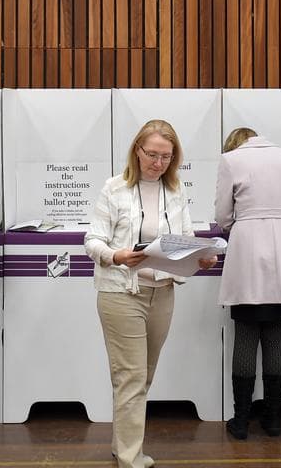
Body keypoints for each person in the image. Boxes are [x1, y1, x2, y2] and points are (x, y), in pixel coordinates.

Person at [84, 119, 217, 468]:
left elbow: (186, 238)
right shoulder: (114, 188)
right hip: (121, 293)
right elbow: (92, 240)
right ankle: (130, 458)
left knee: (144, 375)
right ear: (136, 151)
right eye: (152, 155)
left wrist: (200, 257)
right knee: (130, 376)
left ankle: (120, 444)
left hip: (163, 293)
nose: (158, 163)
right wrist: (116, 255)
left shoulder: (176, 191)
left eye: (167, 157)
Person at [215, 127, 281, 440]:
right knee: (275, 334)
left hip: (245, 246)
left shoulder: (230, 160)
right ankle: (273, 419)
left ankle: (241, 420)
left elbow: (222, 216)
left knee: (245, 334)